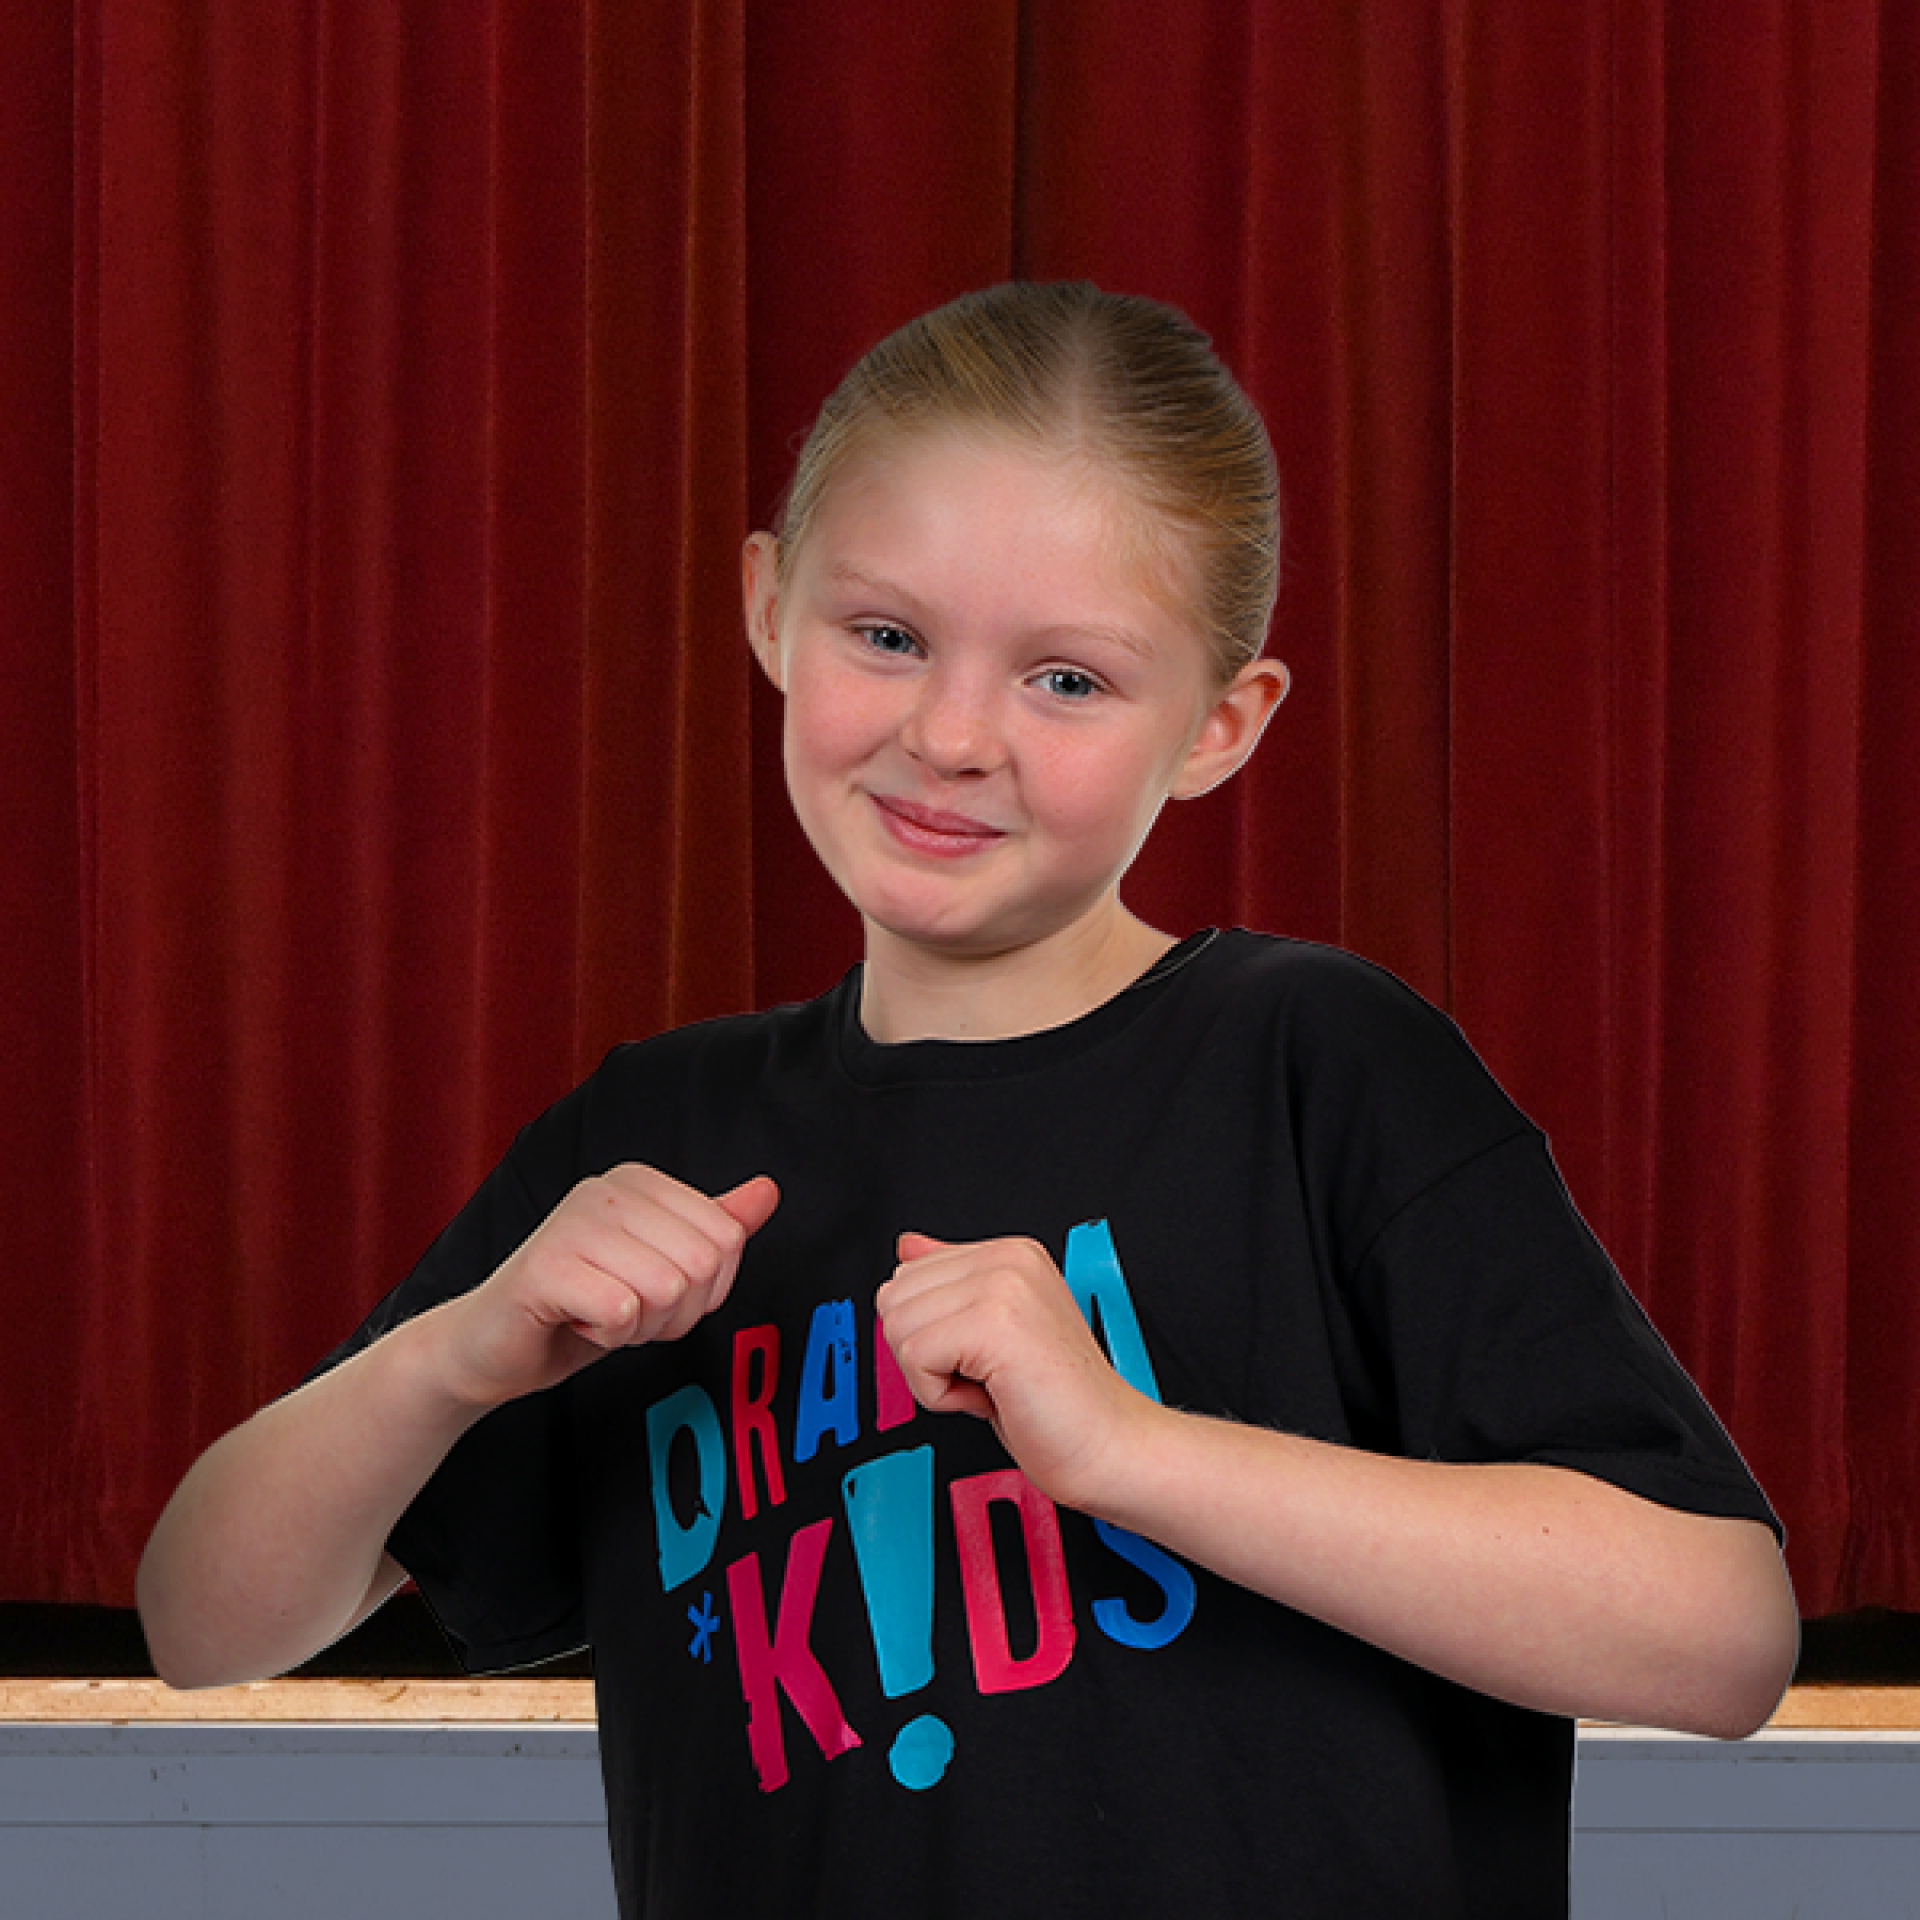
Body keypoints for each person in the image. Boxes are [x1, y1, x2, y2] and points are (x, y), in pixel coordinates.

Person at [138, 281, 1798, 1918]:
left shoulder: (1318, 1062)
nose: (949, 735)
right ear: (769, 608)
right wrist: (449, 1358)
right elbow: (206, 1623)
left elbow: (1720, 1638)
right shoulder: (655, 1128)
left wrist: (1132, 1454)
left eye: (1067, 679)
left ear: (1221, 726)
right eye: (887, 636)